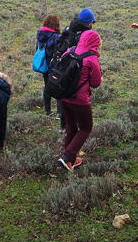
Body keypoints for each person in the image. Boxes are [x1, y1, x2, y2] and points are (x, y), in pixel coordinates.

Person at [57, 29, 102, 171]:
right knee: (85, 127)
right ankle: (67, 156)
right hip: (80, 100)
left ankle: (69, 161)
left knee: (71, 127)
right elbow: (95, 83)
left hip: (64, 97)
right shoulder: (91, 58)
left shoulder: (70, 51)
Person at [36, 14, 64, 129]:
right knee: (58, 87)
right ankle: (59, 113)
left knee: (47, 86)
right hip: (54, 66)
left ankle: (47, 110)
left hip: (44, 65)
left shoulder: (40, 34)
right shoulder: (56, 37)